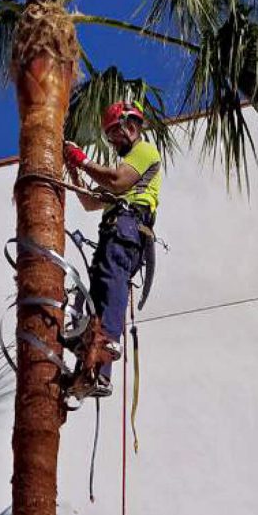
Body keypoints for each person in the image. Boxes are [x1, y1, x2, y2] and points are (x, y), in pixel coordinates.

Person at [63, 102, 162, 398]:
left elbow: (117, 182)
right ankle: (94, 373)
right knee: (96, 299)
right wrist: (75, 172)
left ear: (130, 125)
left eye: (115, 135)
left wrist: (82, 160)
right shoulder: (123, 185)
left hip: (127, 227)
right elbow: (91, 202)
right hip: (115, 228)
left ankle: (106, 346)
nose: (114, 142)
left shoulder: (144, 152)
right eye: (110, 137)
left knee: (111, 282)